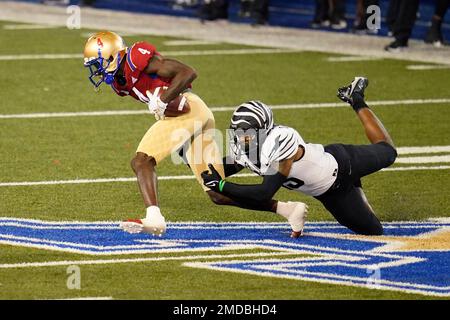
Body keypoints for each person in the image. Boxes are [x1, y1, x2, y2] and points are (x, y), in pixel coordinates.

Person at [202, 77, 398, 236]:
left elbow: (263, 193)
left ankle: (356, 98)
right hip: (327, 192)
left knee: (389, 153)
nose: (242, 138)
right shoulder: (243, 144)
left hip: (342, 163)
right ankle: (355, 185)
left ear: (264, 130)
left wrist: (220, 185)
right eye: (238, 132)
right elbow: (219, 168)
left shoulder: (280, 140)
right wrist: (191, 156)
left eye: (248, 133)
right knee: (372, 230)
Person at [83, 31, 226, 236]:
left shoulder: (136, 59)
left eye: (98, 63)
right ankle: (287, 209)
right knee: (217, 192)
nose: (97, 70)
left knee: (141, 161)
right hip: (190, 115)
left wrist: (163, 99)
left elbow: (188, 72)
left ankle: (154, 219)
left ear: (112, 56)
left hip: (188, 110)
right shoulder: (119, 82)